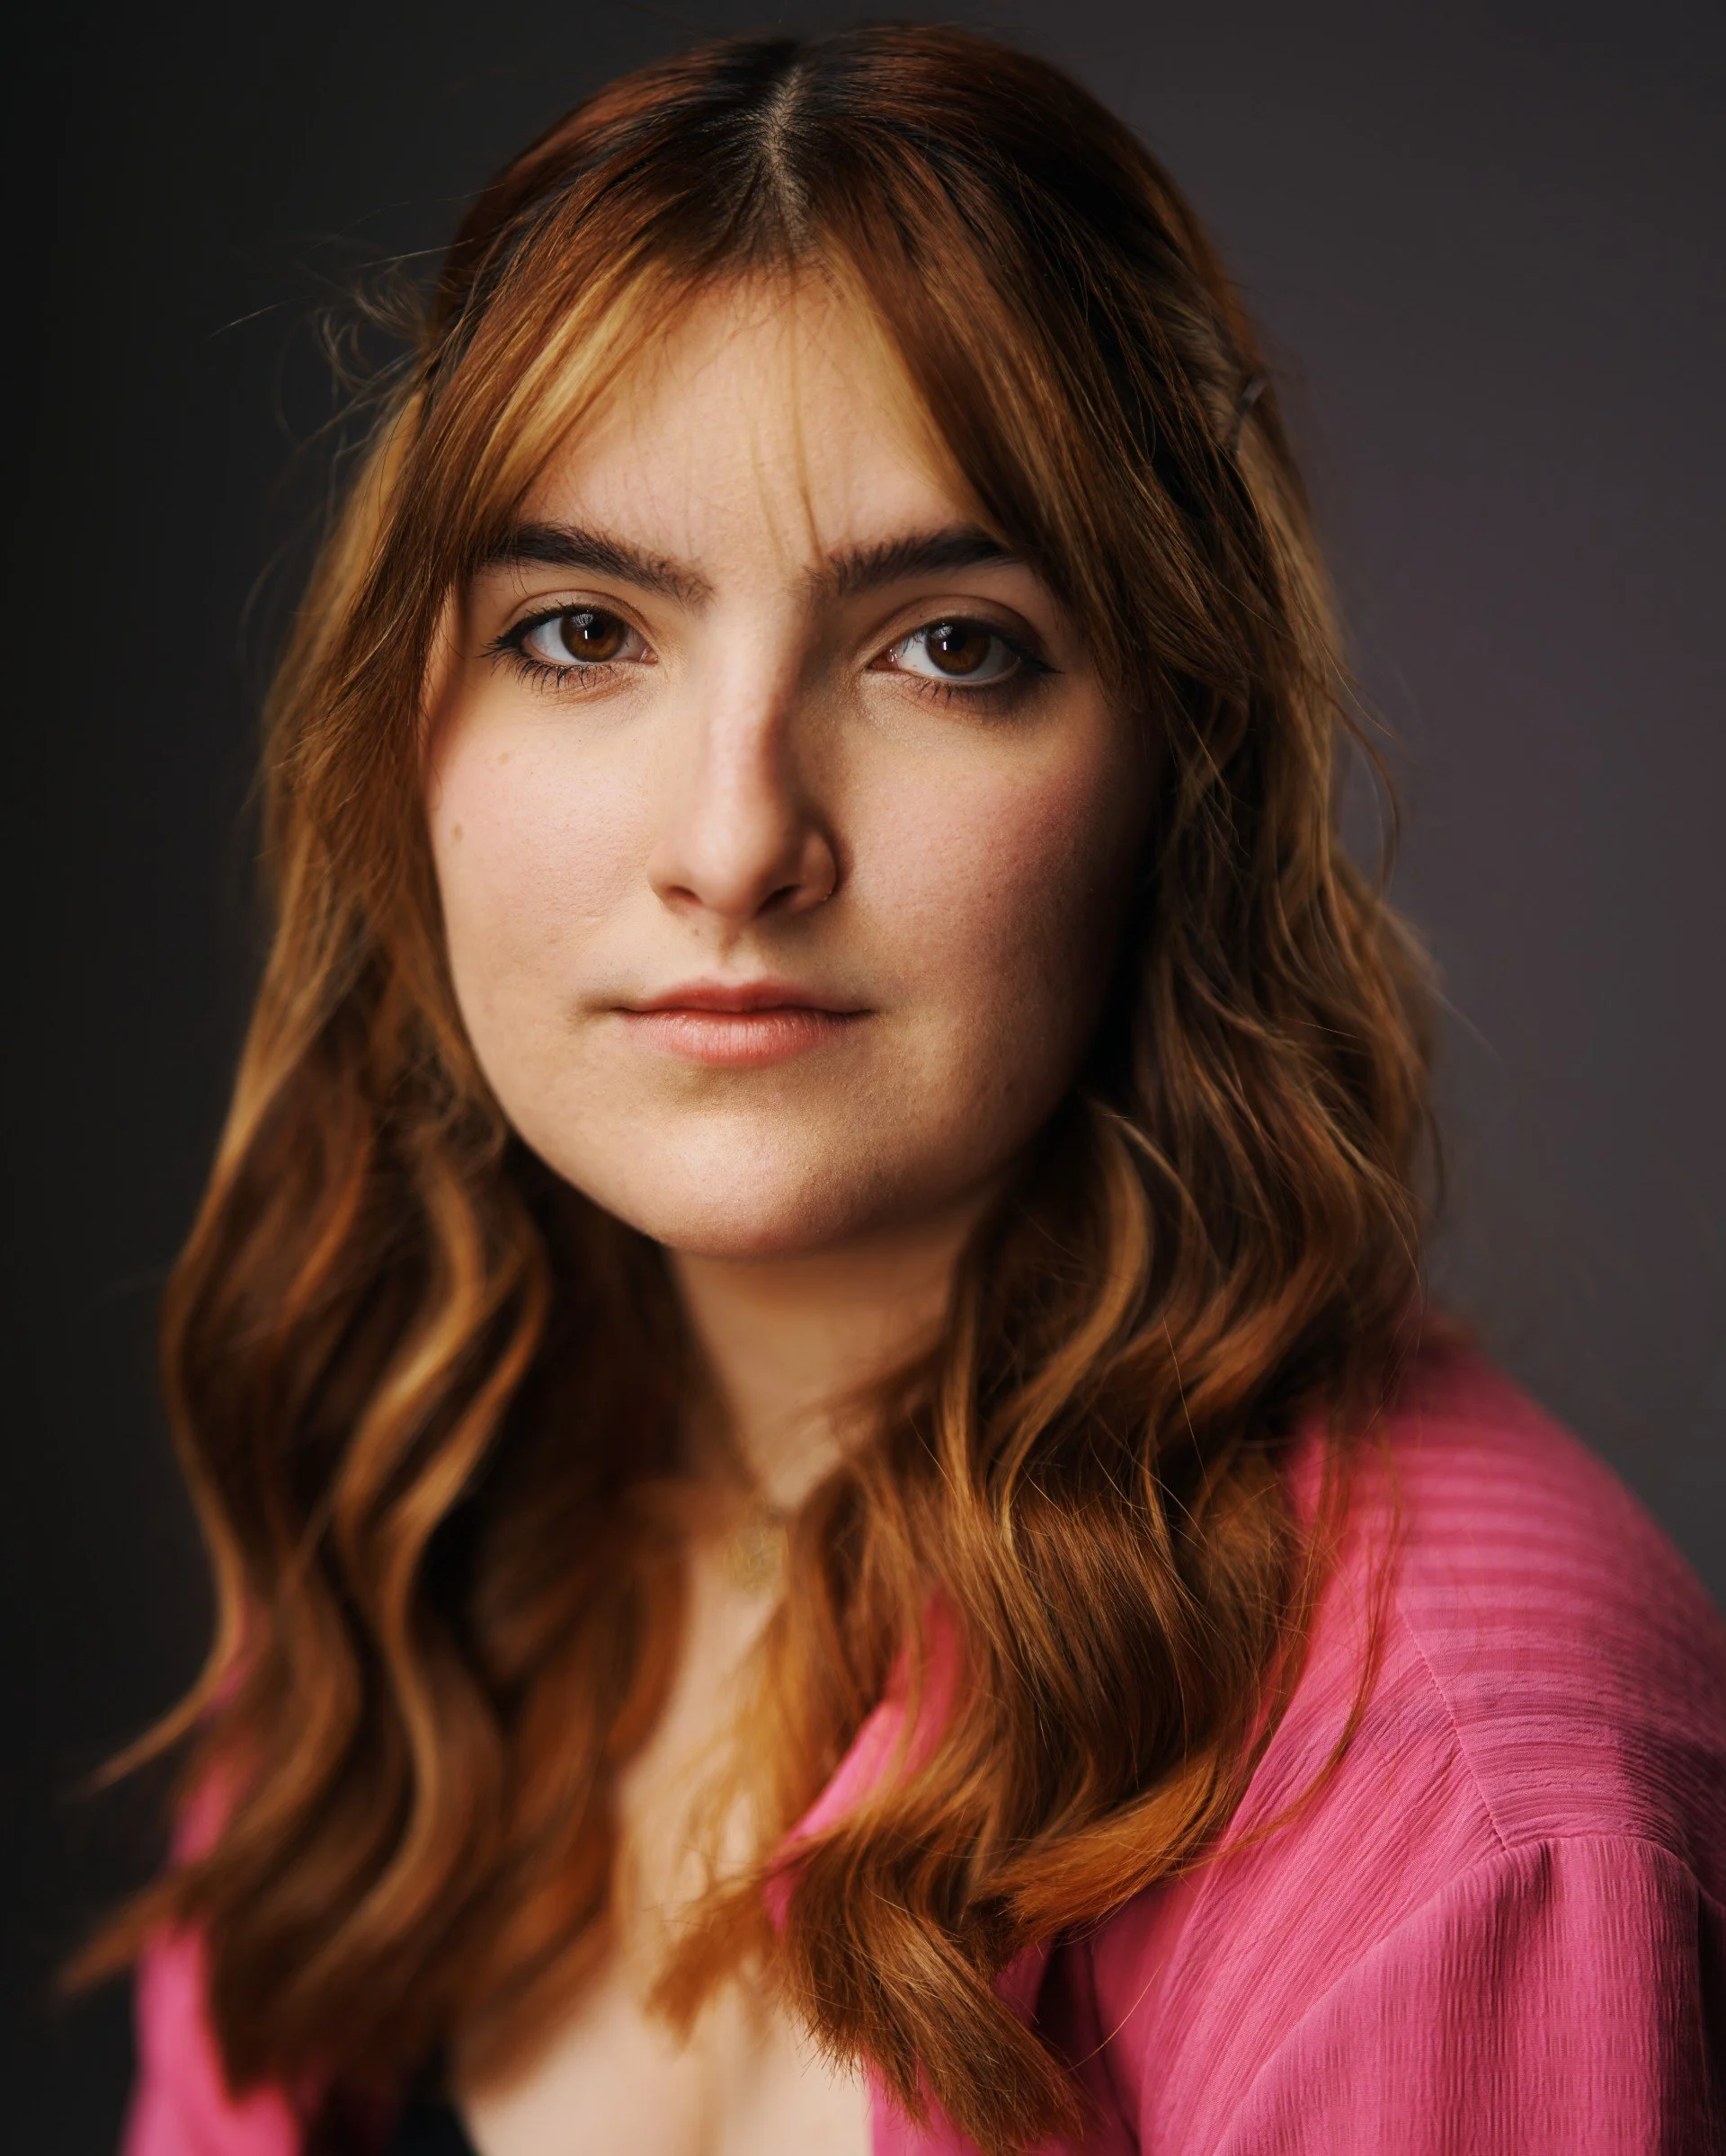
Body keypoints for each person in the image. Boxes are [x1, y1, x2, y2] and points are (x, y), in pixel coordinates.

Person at [90, 25, 1726, 2156]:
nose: (738, 835)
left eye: (948, 644)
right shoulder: (411, 1518)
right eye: (583, 629)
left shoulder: (1480, 1821)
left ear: (1177, 766)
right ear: (410, 741)